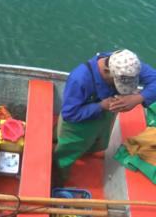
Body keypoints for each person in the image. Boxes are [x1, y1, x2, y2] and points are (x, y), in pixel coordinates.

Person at [54, 49, 156, 183]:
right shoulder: (79, 79)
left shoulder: (128, 65)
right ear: (107, 71)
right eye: (117, 84)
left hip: (104, 119)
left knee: (100, 144)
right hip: (77, 126)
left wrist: (138, 98)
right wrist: (100, 106)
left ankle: (81, 150)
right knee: (66, 155)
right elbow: (70, 114)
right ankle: (59, 177)